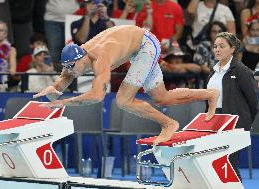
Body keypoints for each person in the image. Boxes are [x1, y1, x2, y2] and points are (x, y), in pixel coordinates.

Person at [33, 25, 219, 144]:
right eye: (68, 68)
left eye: (73, 67)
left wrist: (64, 102)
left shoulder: (100, 58)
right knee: (162, 97)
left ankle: (169, 124)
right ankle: (210, 94)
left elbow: (97, 96)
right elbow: (65, 78)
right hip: (136, 46)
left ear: (82, 57)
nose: (72, 71)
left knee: (123, 99)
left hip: (146, 45)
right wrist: (55, 89)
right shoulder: (76, 60)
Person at [207, 32, 258, 180]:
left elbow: (253, 102)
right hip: (214, 121)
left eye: (222, 46)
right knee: (215, 163)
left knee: (229, 163)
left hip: (234, 122)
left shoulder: (242, 71)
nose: (217, 49)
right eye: (215, 46)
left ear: (232, 49)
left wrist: (244, 122)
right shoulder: (212, 72)